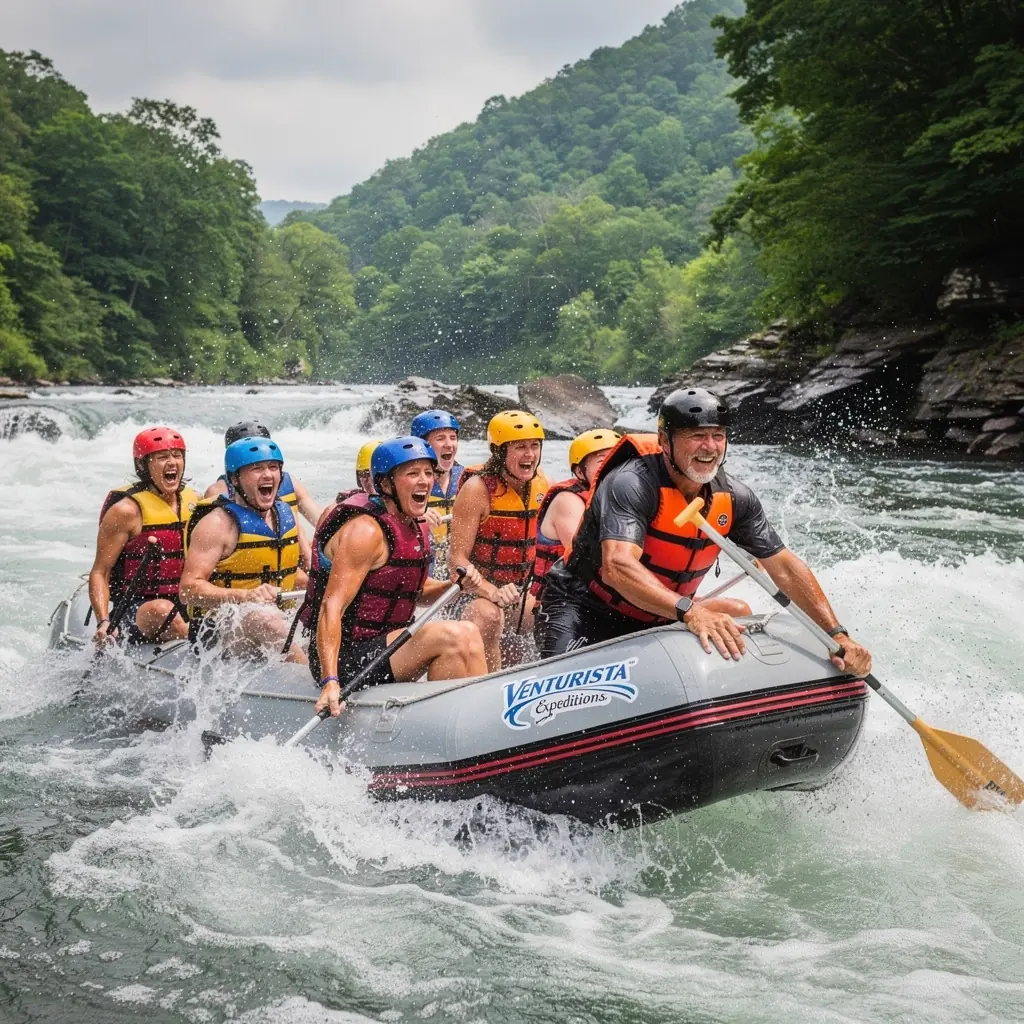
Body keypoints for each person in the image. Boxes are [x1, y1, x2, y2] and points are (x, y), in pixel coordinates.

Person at [537, 387, 873, 678]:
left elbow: (783, 567)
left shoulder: (735, 498)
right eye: (696, 436)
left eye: (718, 436)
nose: (709, 447)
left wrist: (837, 634)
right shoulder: (631, 483)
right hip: (583, 608)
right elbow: (617, 566)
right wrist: (692, 612)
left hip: (662, 614)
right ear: (665, 442)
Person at [307, 437, 488, 718]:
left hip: (387, 647)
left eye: (429, 473)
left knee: (468, 633)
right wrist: (330, 681)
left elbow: (416, 591)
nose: (425, 481)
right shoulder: (366, 532)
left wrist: (453, 586)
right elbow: (332, 607)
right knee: (455, 635)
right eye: (412, 474)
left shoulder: (416, 526)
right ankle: (457, 724)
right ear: (387, 484)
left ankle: (469, 724)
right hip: (346, 656)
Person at [180, 436, 307, 662]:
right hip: (217, 630)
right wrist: (245, 596)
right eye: (256, 469)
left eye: (273, 467)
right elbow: (188, 590)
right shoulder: (217, 524)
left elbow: (296, 573)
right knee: (264, 618)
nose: (268, 474)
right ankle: (315, 683)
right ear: (235, 479)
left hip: (276, 619)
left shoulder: (285, 514)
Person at [448, 410, 550, 672]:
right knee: (490, 615)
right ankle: (488, 684)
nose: (530, 454)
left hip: (518, 592)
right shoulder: (476, 490)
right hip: (473, 594)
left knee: (545, 612)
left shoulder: (543, 485)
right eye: (520, 447)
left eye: (534, 446)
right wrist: (491, 591)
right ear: (499, 452)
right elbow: (456, 561)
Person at [89, 427, 200, 644]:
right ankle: (200, 642)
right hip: (137, 609)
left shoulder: (195, 500)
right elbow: (100, 572)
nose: (172, 462)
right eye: (162, 457)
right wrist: (103, 621)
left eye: (177, 455)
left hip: (188, 603)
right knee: (162, 610)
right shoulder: (126, 512)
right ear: (142, 465)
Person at [205, 420, 322, 565]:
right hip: (254, 563)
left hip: (289, 557)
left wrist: (310, 551)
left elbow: (320, 521)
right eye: (254, 466)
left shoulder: (289, 481)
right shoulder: (218, 491)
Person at [530, 428, 620, 602]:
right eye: (603, 462)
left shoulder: (623, 497)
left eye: (617, 461)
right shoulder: (568, 500)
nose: (613, 469)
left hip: (594, 598)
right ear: (580, 472)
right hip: (556, 599)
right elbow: (584, 558)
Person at [410, 409, 463, 580]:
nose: (449, 444)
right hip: (423, 575)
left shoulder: (467, 480)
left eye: (453, 438)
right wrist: (416, 518)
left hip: (456, 573)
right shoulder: (408, 483)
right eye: (440, 438)